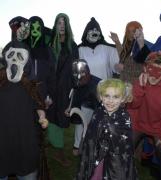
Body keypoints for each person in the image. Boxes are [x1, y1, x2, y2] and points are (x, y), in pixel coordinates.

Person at [0, 40, 48, 180]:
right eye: (11, 55)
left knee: (27, 171)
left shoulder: (31, 85)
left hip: (25, 139)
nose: (15, 59)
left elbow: (39, 105)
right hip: (2, 138)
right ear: (5, 58)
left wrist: (42, 117)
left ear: (27, 61)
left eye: (20, 56)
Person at [128, 51, 161, 180]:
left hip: (158, 128)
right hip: (140, 124)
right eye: (151, 69)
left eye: (160, 71)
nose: (154, 76)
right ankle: (120, 173)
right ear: (145, 68)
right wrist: (140, 87)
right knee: (125, 149)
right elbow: (134, 105)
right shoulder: (139, 83)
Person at [73, 17, 120, 155]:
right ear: (86, 32)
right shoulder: (79, 49)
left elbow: (116, 68)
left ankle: (102, 145)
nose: (93, 32)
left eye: (96, 30)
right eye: (90, 30)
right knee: (83, 118)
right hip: (84, 90)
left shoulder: (108, 49)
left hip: (103, 91)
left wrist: (119, 65)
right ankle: (78, 145)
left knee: (104, 120)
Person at [75, 78, 137, 180]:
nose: (110, 101)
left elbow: (125, 143)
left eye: (116, 97)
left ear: (122, 99)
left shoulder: (124, 117)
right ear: (101, 97)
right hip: (96, 157)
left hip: (116, 162)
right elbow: (90, 137)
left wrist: (109, 128)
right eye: (106, 96)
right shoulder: (98, 113)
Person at [47, 13, 79, 166]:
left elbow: (75, 68)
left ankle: (57, 149)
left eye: (63, 22)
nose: (61, 25)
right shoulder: (50, 44)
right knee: (51, 117)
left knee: (61, 118)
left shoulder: (72, 45)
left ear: (67, 25)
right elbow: (46, 67)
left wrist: (74, 87)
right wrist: (45, 90)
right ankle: (57, 150)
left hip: (66, 87)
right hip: (51, 86)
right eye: (58, 22)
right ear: (55, 24)